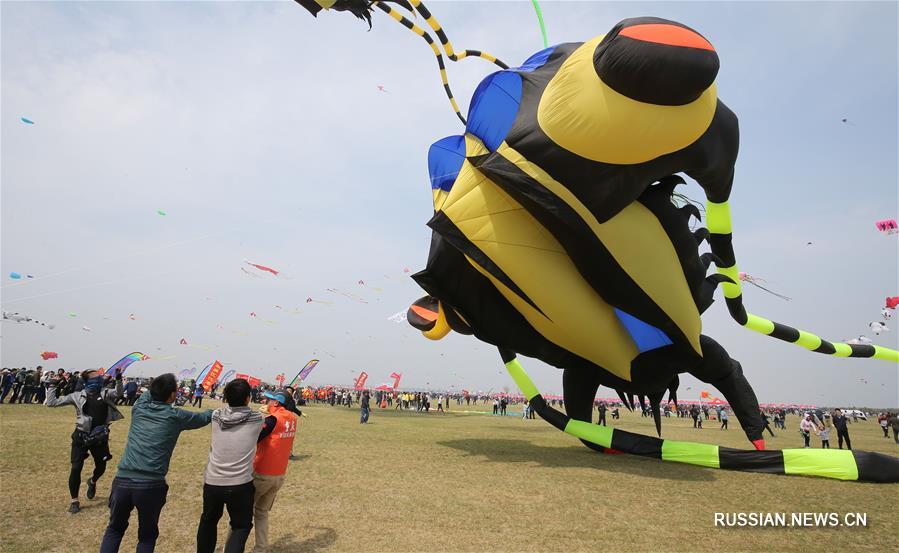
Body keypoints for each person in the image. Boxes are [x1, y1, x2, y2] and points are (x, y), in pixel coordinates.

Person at [99, 373, 212, 553]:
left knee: (114, 529)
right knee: (147, 536)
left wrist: (160, 385)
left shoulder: (139, 408)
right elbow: (203, 418)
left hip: (122, 480)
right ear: (173, 395)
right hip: (151, 484)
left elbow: (150, 393)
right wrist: (217, 412)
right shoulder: (176, 416)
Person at [196, 379, 263, 553]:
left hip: (213, 482)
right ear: (248, 398)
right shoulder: (257, 418)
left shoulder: (216, 416)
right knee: (240, 526)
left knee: (208, 521)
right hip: (241, 484)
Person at [46, 368, 123, 513]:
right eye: (95, 378)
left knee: (101, 466)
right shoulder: (77, 396)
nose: (99, 379)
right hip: (81, 435)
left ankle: (92, 481)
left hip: (99, 436)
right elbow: (52, 403)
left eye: (99, 377)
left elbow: (118, 393)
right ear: (87, 381)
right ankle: (74, 501)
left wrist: (118, 379)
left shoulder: (105, 393)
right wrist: (52, 386)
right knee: (76, 468)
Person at [252, 391, 298, 553]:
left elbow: (253, 438)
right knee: (262, 512)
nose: (266, 402)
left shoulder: (272, 420)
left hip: (262, 472)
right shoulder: (292, 419)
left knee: (242, 514)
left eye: (270, 400)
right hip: (279, 474)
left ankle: (232, 548)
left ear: (277, 403)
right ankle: (261, 548)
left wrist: (261, 417)